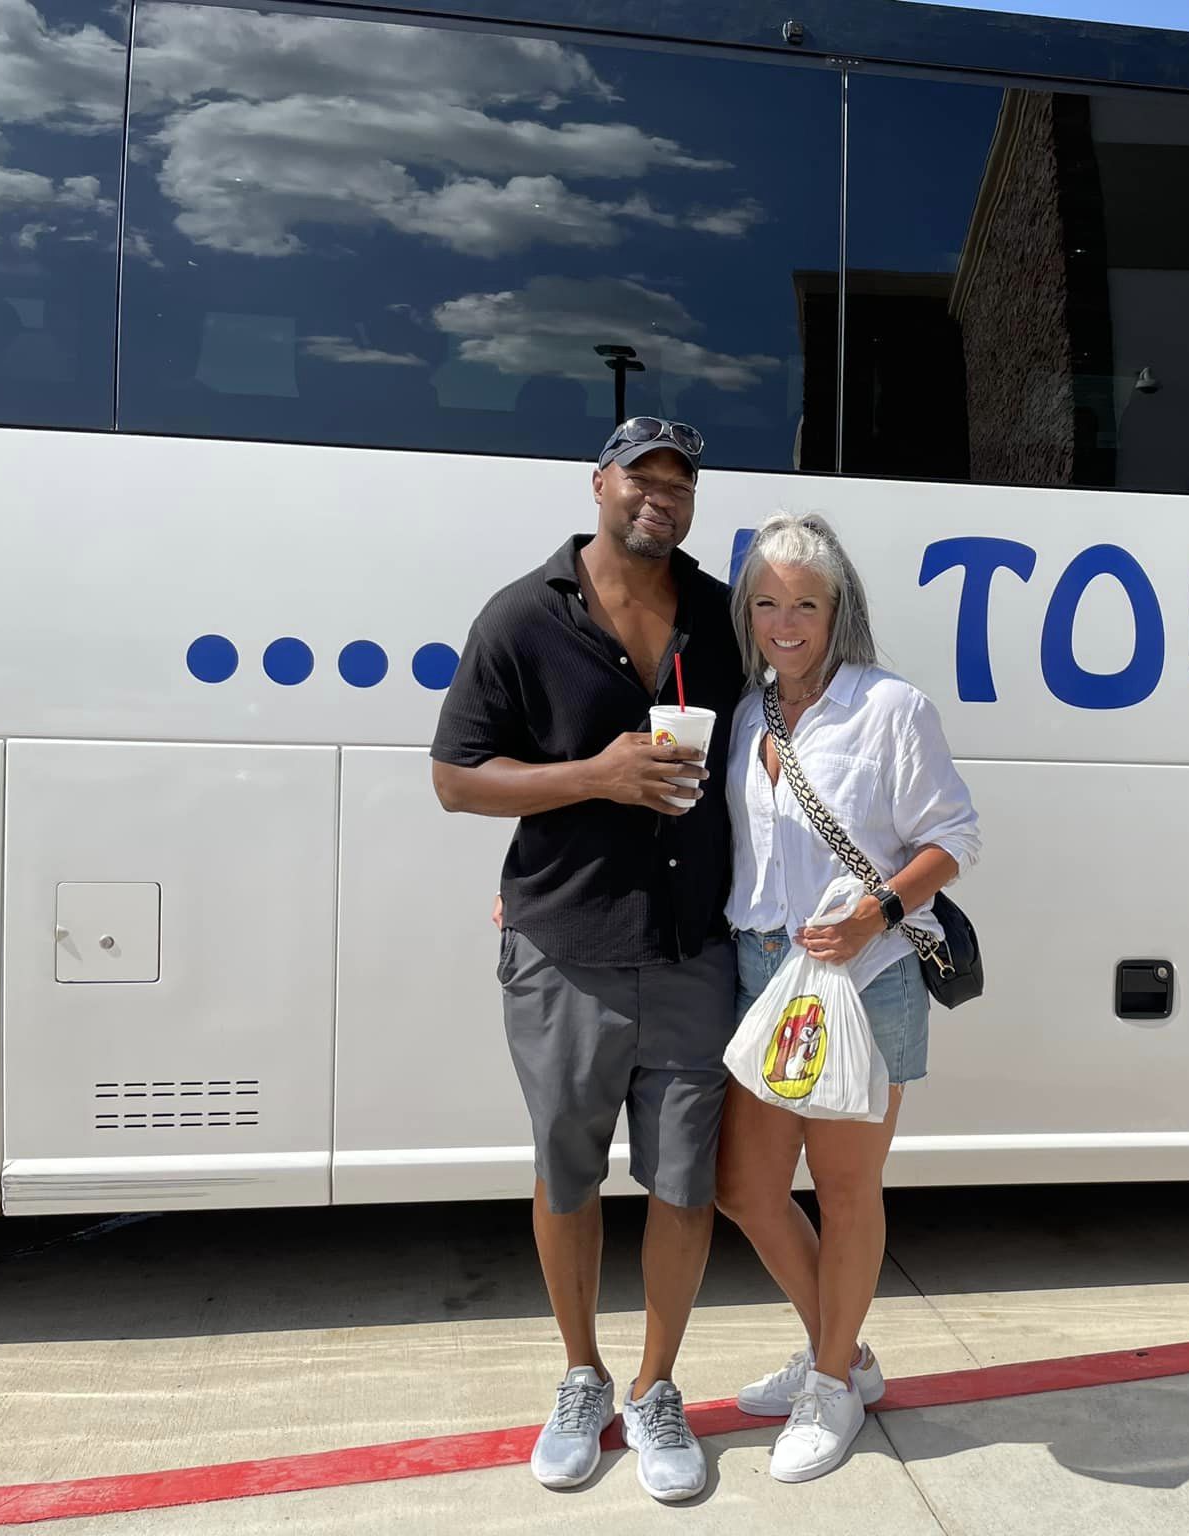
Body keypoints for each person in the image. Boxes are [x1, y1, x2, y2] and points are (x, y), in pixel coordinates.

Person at [429, 418, 741, 1505]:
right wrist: (592, 777)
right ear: (599, 484)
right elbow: (455, 779)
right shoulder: (523, 615)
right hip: (566, 945)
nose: (661, 497)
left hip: (694, 948)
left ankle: (656, 1388)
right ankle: (580, 1376)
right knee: (567, 1172)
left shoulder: (718, 611)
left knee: (683, 1185)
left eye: (680, 485)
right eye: (641, 479)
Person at [715, 512, 982, 1483]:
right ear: (747, 613)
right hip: (764, 978)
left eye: (805, 605)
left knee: (842, 1188)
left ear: (838, 612)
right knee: (742, 1186)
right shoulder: (748, 714)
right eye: (767, 603)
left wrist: (874, 912)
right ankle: (846, 1351)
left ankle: (830, 1383)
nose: (785, 622)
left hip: (861, 982)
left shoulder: (889, 708)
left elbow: (953, 839)